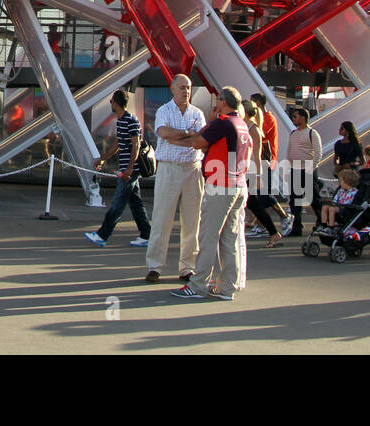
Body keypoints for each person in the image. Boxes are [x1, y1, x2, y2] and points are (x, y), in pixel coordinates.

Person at [172, 86, 252, 301]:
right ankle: (227, 287)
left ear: (223, 102)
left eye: (217, 100)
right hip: (238, 184)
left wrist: (185, 137)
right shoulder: (242, 125)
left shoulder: (223, 122)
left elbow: (200, 142)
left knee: (208, 236)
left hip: (221, 184)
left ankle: (198, 285)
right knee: (230, 238)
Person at [144, 74, 206, 284]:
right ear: (172, 89)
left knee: (192, 220)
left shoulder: (197, 113)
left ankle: (187, 267)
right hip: (169, 169)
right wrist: (187, 135)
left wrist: (181, 137)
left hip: (192, 169)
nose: (185, 91)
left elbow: (200, 140)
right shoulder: (164, 110)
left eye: (188, 87)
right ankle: (155, 266)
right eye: (181, 87)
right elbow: (163, 132)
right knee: (162, 218)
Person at [84, 89, 149, 247]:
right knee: (135, 203)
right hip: (126, 168)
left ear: (117, 103)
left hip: (129, 170)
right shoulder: (121, 121)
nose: (110, 104)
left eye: (111, 101)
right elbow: (118, 145)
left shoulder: (131, 120)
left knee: (118, 203)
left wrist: (129, 168)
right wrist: (103, 159)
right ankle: (147, 234)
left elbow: (136, 145)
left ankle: (102, 234)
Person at [241, 99, 282, 246]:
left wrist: (258, 176)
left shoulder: (254, 129)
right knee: (251, 203)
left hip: (251, 171)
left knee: (252, 203)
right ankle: (272, 232)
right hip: (244, 169)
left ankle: (272, 232)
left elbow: (257, 155)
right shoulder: (244, 126)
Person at [286, 107, 323, 237]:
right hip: (295, 169)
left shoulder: (312, 133)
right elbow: (289, 150)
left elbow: (318, 153)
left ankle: (322, 223)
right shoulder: (293, 133)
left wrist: (311, 168)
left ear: (303, 117)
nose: (293, 119)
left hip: (307, 169)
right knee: (295, 201)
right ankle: (296, 227)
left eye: (295, 116)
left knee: (313, 199)